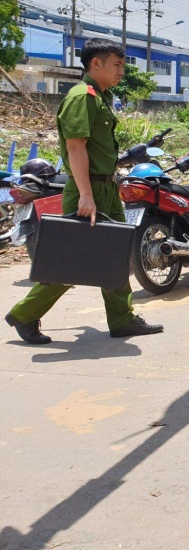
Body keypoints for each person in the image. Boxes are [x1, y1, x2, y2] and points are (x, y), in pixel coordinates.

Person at [5, 38, 163, 345]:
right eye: (117, 64)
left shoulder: (101, 97)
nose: (122, 71)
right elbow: (76, 148)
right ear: (96, 64)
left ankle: (122, 318)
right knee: (74, 259)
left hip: (106, 186)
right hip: (87, 189)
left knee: (115, 253)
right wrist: (87, 195)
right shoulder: (82, 97)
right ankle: (24, 313)